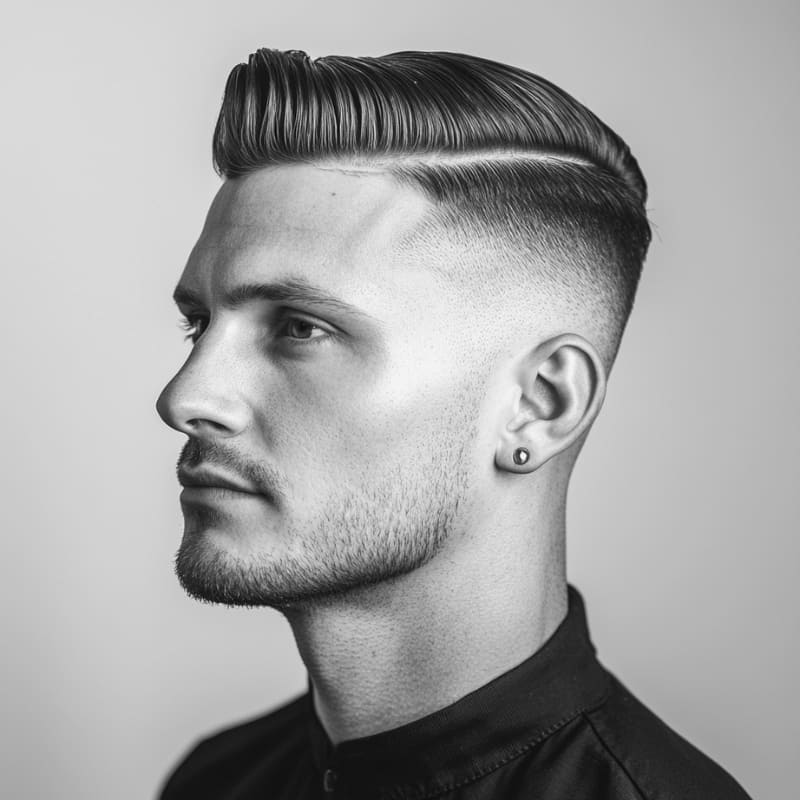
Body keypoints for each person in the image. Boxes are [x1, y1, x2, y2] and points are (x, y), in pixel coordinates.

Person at [155, 48, 751, 799]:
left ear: (540, 402)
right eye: (199, 325)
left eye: (300, 329)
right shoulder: (218, 781)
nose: (185, 397)